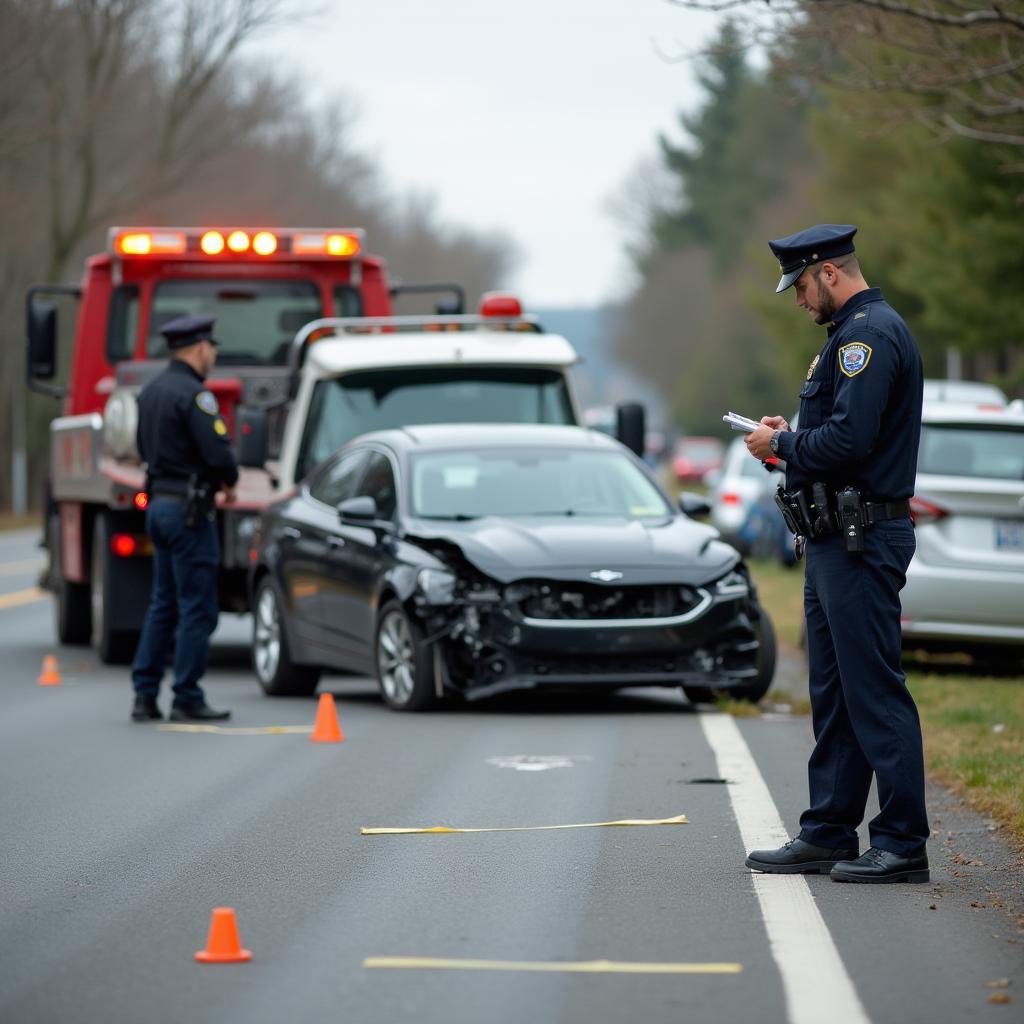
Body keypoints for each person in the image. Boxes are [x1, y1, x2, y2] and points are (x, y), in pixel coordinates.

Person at [743, 224, 929, 883]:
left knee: (873, 692)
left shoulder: (867, 336)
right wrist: (791, 436)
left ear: (827, 273)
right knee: (836, 696)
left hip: (861, 539)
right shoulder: (849, 337)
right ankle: (828, 832)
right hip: (833, 540)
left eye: (799, 285)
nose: (797, 299)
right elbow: (841, 434)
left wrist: (781, 449)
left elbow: (851, 441)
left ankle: (903, 843)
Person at [129, 315, 238, 722]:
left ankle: (144, 695)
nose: (213, 356)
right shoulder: (195, 395)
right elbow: (216, 451)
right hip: (190, 512)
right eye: (211, 348)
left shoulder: (151, 391)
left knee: (163, 603)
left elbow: (142, 446)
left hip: (158, 505)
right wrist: (230, 479)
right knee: (197, 608)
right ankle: (187, 696)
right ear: (198, 348)